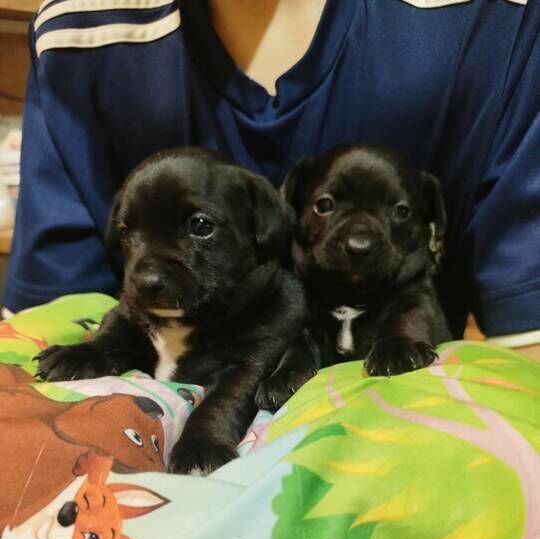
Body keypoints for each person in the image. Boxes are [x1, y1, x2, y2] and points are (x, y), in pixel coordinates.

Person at [4, 0, 540, 358]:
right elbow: (49, 341)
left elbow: (526, 338)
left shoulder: (498, 22)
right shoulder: (77, 35)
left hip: (397, 423)